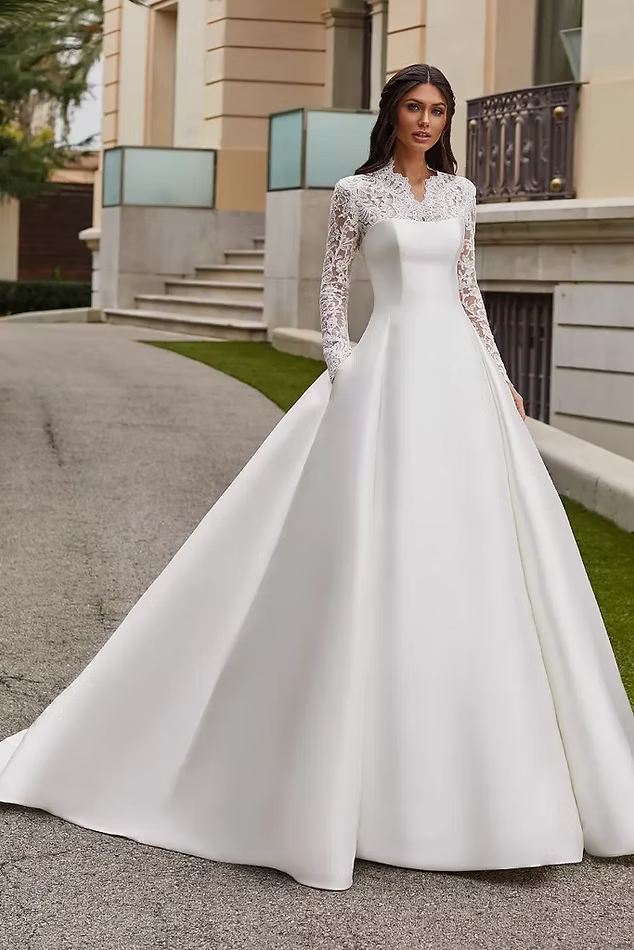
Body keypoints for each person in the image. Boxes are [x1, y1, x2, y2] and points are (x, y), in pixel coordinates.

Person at [0, 64, 633, 892]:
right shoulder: (355, 192)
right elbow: (333, 288)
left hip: (460, 381)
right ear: (392, 113)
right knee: (375, 547)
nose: (427, 121)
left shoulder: (461, 192)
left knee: (479, 553)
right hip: (386, 374)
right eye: (415, 107)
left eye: (439, 111)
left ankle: (502, 788)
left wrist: (501, 373)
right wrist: (343, 365)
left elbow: (468, 291)